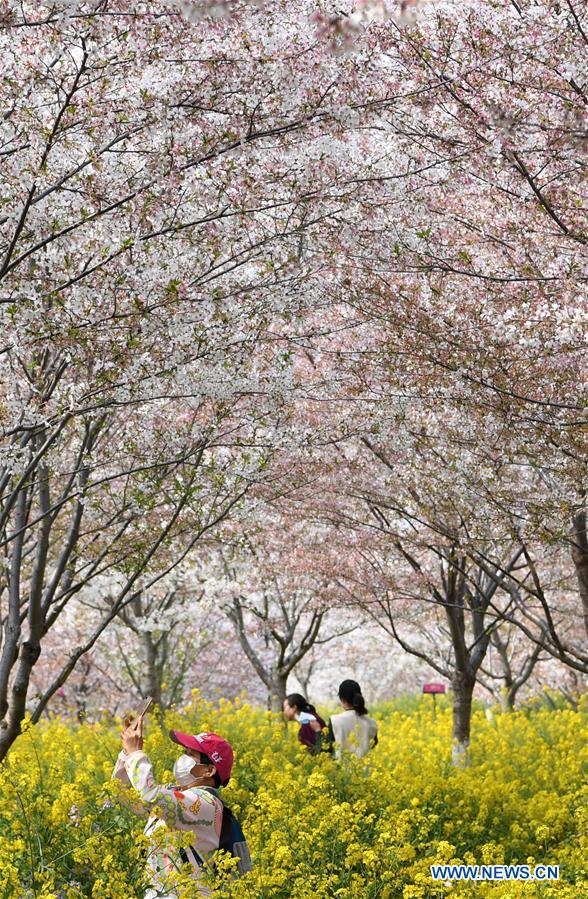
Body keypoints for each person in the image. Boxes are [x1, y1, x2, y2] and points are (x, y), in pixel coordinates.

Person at [112, 715, 251, 898]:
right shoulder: (178, 797)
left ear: (209, 770)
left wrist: (136, 754)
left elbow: (148, 795)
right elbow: (121, 793)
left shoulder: (205, 804)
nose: (182, 757)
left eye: (190, 754)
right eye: (184, 751)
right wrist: (126, 754)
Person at [327, 679, 378, 759]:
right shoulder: (372, 723)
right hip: (367, 770)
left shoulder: (334, 721)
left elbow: (327, 749)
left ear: (342, 700)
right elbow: (373, 745)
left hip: (341, 770)